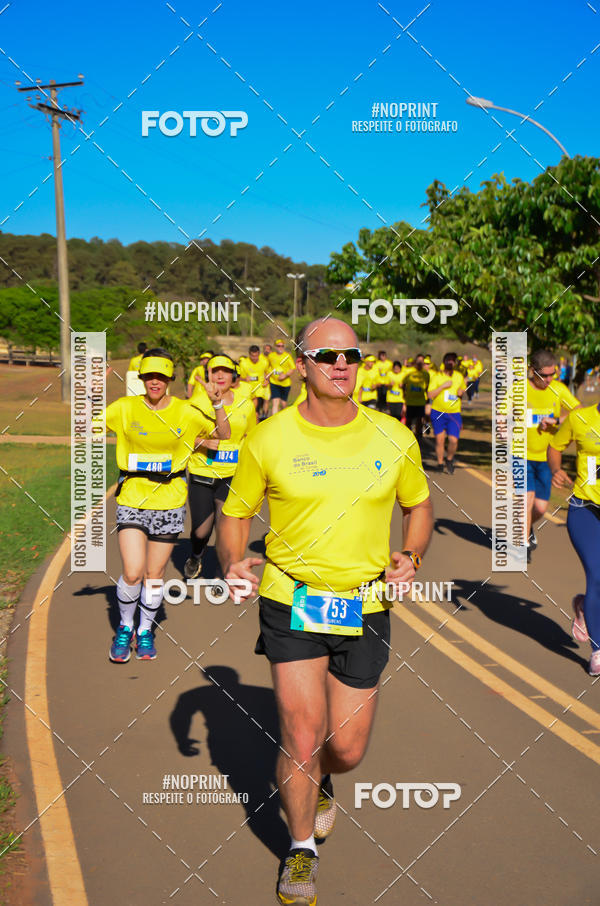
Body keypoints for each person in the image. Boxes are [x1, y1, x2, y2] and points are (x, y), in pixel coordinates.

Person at [218, 318, 433, 906]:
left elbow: (419, 507)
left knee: (347, 748)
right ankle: (300, 849)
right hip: (291, 598)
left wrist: (411, 554)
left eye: (352, 356)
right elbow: (235, 514)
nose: (341, 365)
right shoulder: (269, 439)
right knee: (301, 732)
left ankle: (324, 782)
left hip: (365, 603)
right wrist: (235, 560)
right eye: (327, 356)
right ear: (301, 364)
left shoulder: (393, 436)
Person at [99, 349, 230, 662]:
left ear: (169, 379)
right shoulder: (124, 408)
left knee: (154, 574)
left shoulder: (185, 412)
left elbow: (222, 435)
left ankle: (145, 631)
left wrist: (216, 403)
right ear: (141, 378)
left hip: (169, 501)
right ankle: (125, 626)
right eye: (148, 376)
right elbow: (86, 427)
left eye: (160, 376)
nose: (154, 382)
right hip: (132, 496)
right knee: (132, 572)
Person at [184, 355, 256, 580]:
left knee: (226, 526)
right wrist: (202, 443)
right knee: (201, 530)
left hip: (233, 475)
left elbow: (251, 437)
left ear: (233, 375)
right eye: (216, 371)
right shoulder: (196, 402)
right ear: (209, 375)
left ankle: (223, 572)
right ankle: (196, 554)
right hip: (202, 473)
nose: (220, 376)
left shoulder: (246, 403)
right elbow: (181, 436)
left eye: (225, 371)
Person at [548, 403, 600, 674]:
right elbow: (555, 446)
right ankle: (597, 650)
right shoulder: (580, 418)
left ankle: (583, 605)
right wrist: (556, 469)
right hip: (586, 509)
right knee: (598, 575)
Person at [524, 350, 579, 560]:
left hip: (547, 457)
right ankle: (523, 547)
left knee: (540, 507)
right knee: (525, 500)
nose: (549, 379)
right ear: (533, 371)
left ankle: (526, 529)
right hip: (520, 454)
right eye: (544, 375)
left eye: (552, 374)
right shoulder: (519, 389)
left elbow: (579, 412)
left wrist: (557, 420)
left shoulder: (558, 389)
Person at [427, 352, 467, 473]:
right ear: (444, 361)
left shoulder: (458, 376)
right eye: (448, 360)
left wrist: (461, 391)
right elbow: (430, 394)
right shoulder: (437, 376)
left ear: (454, 363)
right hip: (438, 412)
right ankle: (440, 463)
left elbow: (462, 389)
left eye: (452, 360)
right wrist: (443, 386)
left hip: (454, 413)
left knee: (454, 440)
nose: (450, 362)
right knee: (439, 440)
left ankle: (449, 459)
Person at [402, 353, 430, 442]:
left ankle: (418, 438)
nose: (420, 363)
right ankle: (407, 437)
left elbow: (428, 386)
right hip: (410, 400)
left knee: (419, 420)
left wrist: (427, 397)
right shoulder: (409, 372)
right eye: (418, 361)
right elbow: (403, 384)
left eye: (422, 361)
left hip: (421, 401)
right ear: (415, 361)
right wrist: (404, 394)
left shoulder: (426, 374)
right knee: (409, 420)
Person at [239, 344, 270, 419]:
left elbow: (268, 373)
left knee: (262, 403)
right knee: (254, 409)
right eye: (252, 356)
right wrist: (244, 379)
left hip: (261, 388)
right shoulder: (243, 363)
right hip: (249, 388)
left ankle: (263, 417)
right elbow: (238, 377)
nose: (254, 358)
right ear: (249, 354)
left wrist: (267, 380)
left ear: (259, 354)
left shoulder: (264, 362)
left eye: (256, 356)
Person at [268, 339, 295, 415]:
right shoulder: (271, 356)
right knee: (275, 403)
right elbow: (268, 366)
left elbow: (292, 368)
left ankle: (284, 418)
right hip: (274, 382)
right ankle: (274, 421)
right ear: (275, 347)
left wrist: (285, 375)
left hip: (285, 383)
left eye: (282, 346)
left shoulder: (287, 356)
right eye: (278, 346)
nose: (280, 347)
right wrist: (267, 377)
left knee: (283, 404)